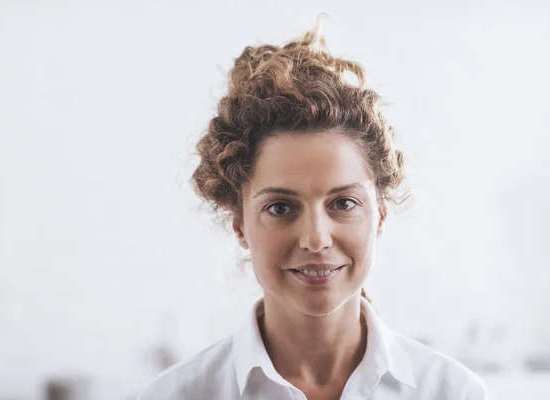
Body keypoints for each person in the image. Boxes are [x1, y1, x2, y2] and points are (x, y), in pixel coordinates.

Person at [129, 18, 488, 400]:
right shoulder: (174, 395)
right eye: (281, 207)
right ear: (239, 224)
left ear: (380, 214)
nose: (316, 239)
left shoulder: (453, 392)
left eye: (344, 203)